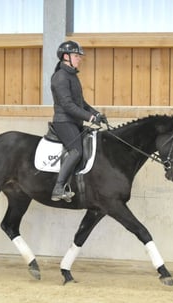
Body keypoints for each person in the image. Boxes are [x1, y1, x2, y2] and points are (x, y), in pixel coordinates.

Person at [50, 40, 107, 202]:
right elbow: (67, 105)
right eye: (76, 56)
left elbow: (81, 103)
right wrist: (89, 117)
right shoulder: (60, 77)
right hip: (64, 121)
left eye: (79, 56)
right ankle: (58, 187)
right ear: (65, 57)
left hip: (74, 122)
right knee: (76, 151)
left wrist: (96, 114)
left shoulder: (72, 76)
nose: (79, 58)